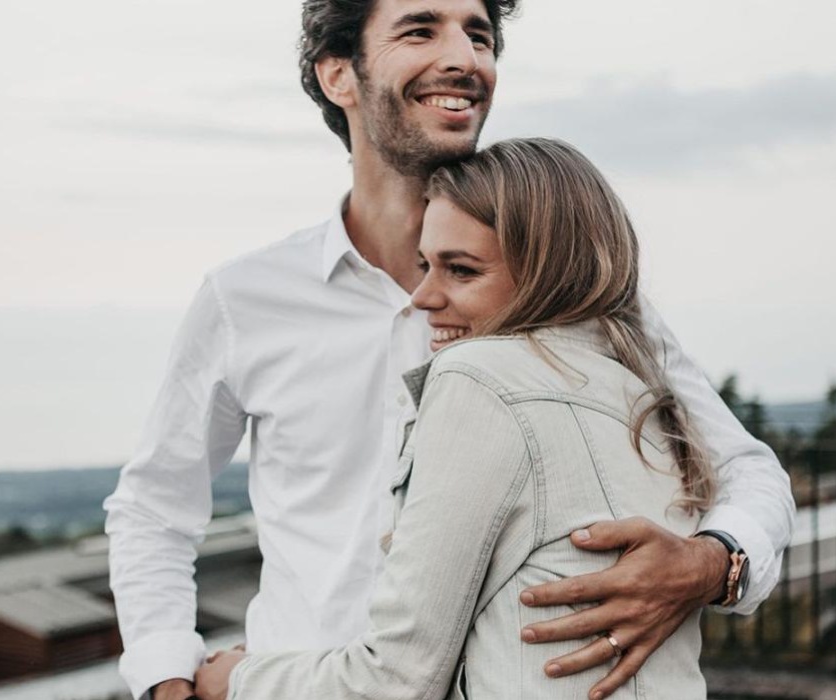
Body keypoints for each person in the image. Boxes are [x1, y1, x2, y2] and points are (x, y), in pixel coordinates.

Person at [103, 2, 795, 699]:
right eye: (420, 29)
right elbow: (154, 508)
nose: (465, 58)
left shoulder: (572, 294)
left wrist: (711, 564)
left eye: (480, 35)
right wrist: (166, 678)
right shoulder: (245, 298)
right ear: (339, 74)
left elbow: (744, 469)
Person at [193, 137, 728, 700]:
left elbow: (398, 679)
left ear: (547, 272)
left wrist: (236, 680)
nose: (423, 296)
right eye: (426, 265)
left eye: (462, 271)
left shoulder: (478, 378)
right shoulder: (643, 391)